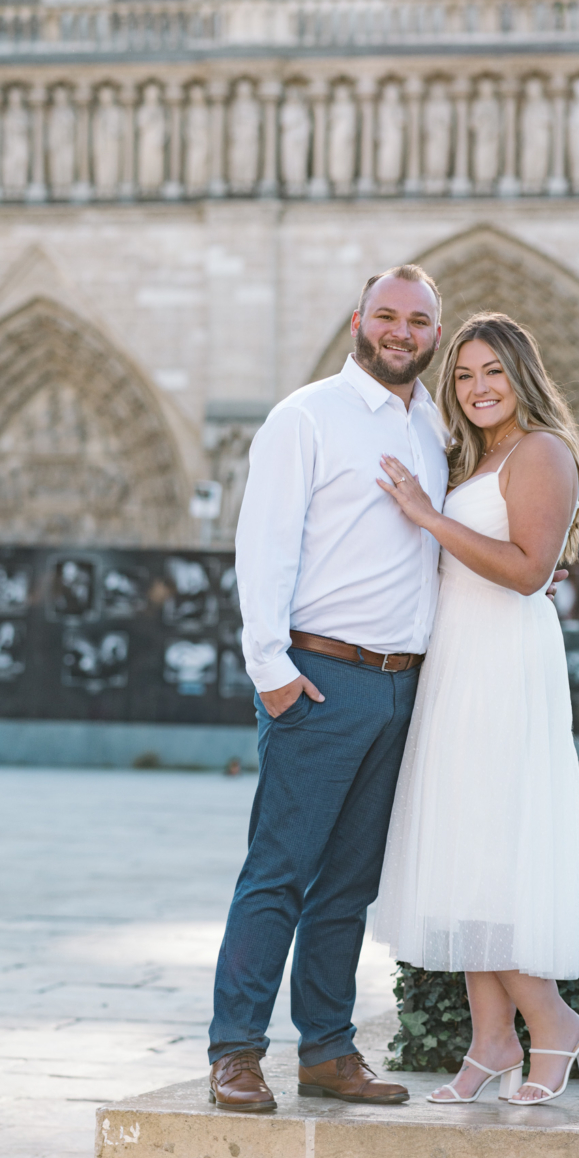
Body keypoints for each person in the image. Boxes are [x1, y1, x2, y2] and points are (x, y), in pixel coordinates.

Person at [206, 265, 449, 1111]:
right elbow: (262, 545)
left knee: (348, 885)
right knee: (278, 873)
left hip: (399, 689)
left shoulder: (433, 430)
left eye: (417, 321)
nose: (400, 332)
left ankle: (327, 1051)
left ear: (434, 336)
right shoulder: (305, 416)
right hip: (319, 679)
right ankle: (235, 1052)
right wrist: (272, 673)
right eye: (386, 315)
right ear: (357, 321)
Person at [372, 311, 579, 1107]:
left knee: (492, 844)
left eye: (491, 373)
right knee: (467, 844)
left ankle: (553, 1021)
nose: (475, 389)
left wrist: (428, 518)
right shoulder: (478, 458)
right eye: (462, 375)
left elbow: (530, 570)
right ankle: (491, 1039)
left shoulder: (541, 451)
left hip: (504, 662)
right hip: (459, 659)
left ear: (521, 377)